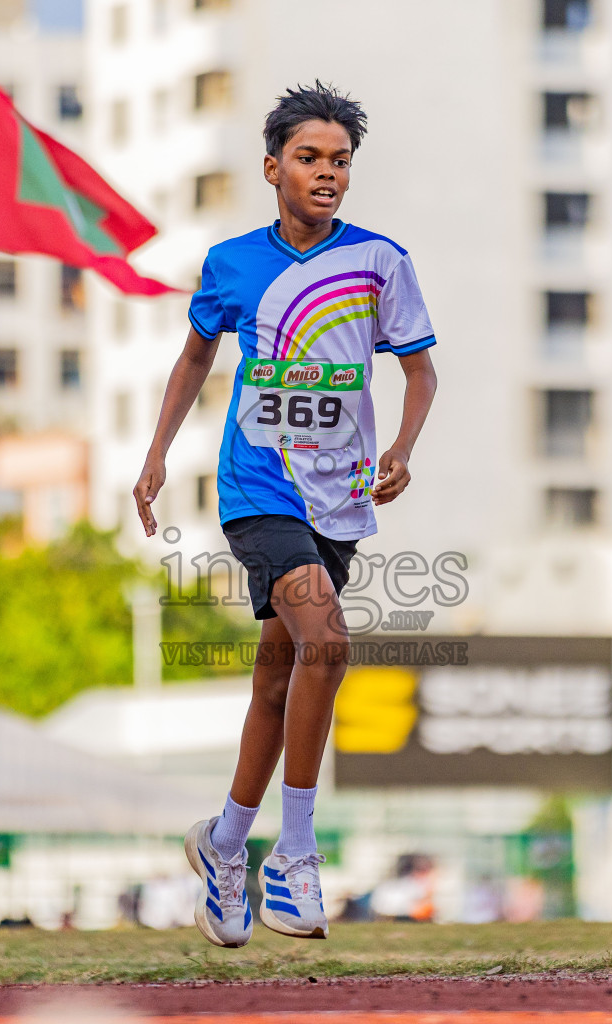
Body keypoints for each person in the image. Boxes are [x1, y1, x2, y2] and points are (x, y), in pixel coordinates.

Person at [134, 81, 439, 948]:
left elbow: (420, 372)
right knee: (330, 642)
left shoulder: (381, 261)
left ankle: (224, 844)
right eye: (309, 158)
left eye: (340, 161)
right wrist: (157, 455)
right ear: (273, 168)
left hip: (338, 497)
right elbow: (194, 357)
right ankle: (294, 859)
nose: (327, 174)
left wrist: (403, 450)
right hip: (257, 489)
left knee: (281, 675)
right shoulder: (232, 263)